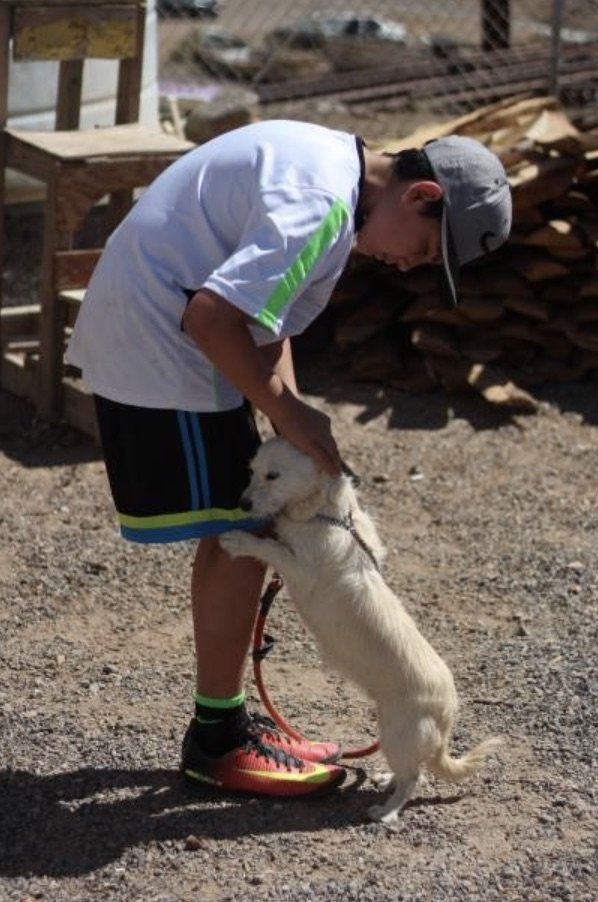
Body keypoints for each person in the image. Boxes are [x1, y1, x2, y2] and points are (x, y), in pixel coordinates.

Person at [66, 119, 512, 798]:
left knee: (248, 526)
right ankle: (218, 743)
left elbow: (265, 323)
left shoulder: (332, 176)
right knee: (237, 528)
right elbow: (213, 318)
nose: (408, 266)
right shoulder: (323, 207)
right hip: (162, 347)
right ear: (422, 194)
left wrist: (292, 429)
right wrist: (295, 415)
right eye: (424, 249)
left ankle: (225, 727)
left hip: (173, 336)